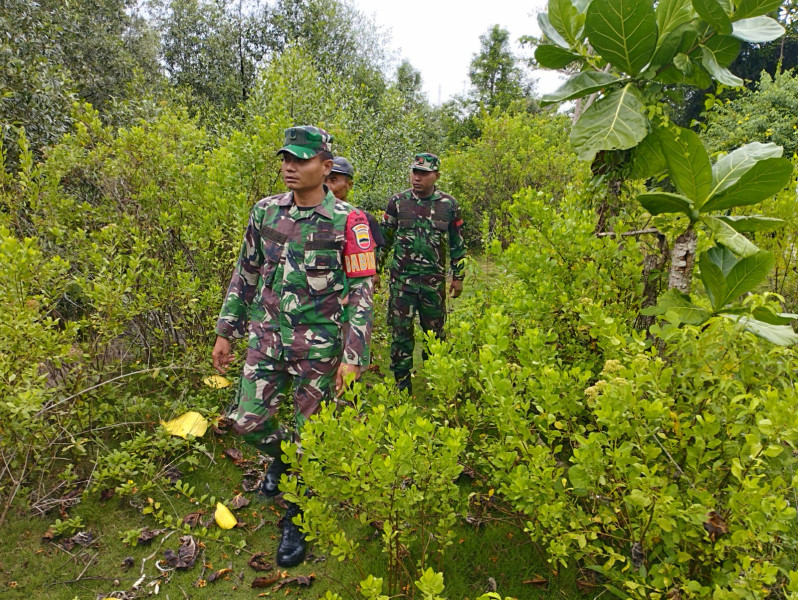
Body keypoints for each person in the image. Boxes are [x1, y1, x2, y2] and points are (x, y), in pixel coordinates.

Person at [211, 126, 375, 568]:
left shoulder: (349, 221)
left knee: (312, 441)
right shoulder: (265, 213)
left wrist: (353, 357)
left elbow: (362, 291)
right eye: (286, 158)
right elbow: (244, 273)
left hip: (319, 350)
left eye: (301, 160)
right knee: (246, 421)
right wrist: (226, 329)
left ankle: (297, 516)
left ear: (325, 167)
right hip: (265, 340)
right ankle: (280, 458)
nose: (289, 166)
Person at [379, 152, 466, 394]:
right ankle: (401, 384)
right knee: (400, 333)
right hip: (401, 284)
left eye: (424, 174)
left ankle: (436, 381)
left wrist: (458, 276)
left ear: (436, 176)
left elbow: (457, 243)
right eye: (415, 172)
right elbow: (383, 240)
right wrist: (375, 271)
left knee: (435, 334)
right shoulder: (397, 202)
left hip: (432, 283)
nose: (417, 178)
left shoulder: (449, 205)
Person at [325, 156, 386, 273]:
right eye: (324, 180)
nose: (327, 185)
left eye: (333, 180)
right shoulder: (312, 216)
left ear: (349, 185)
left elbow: (371, 258)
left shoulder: (363, 219)